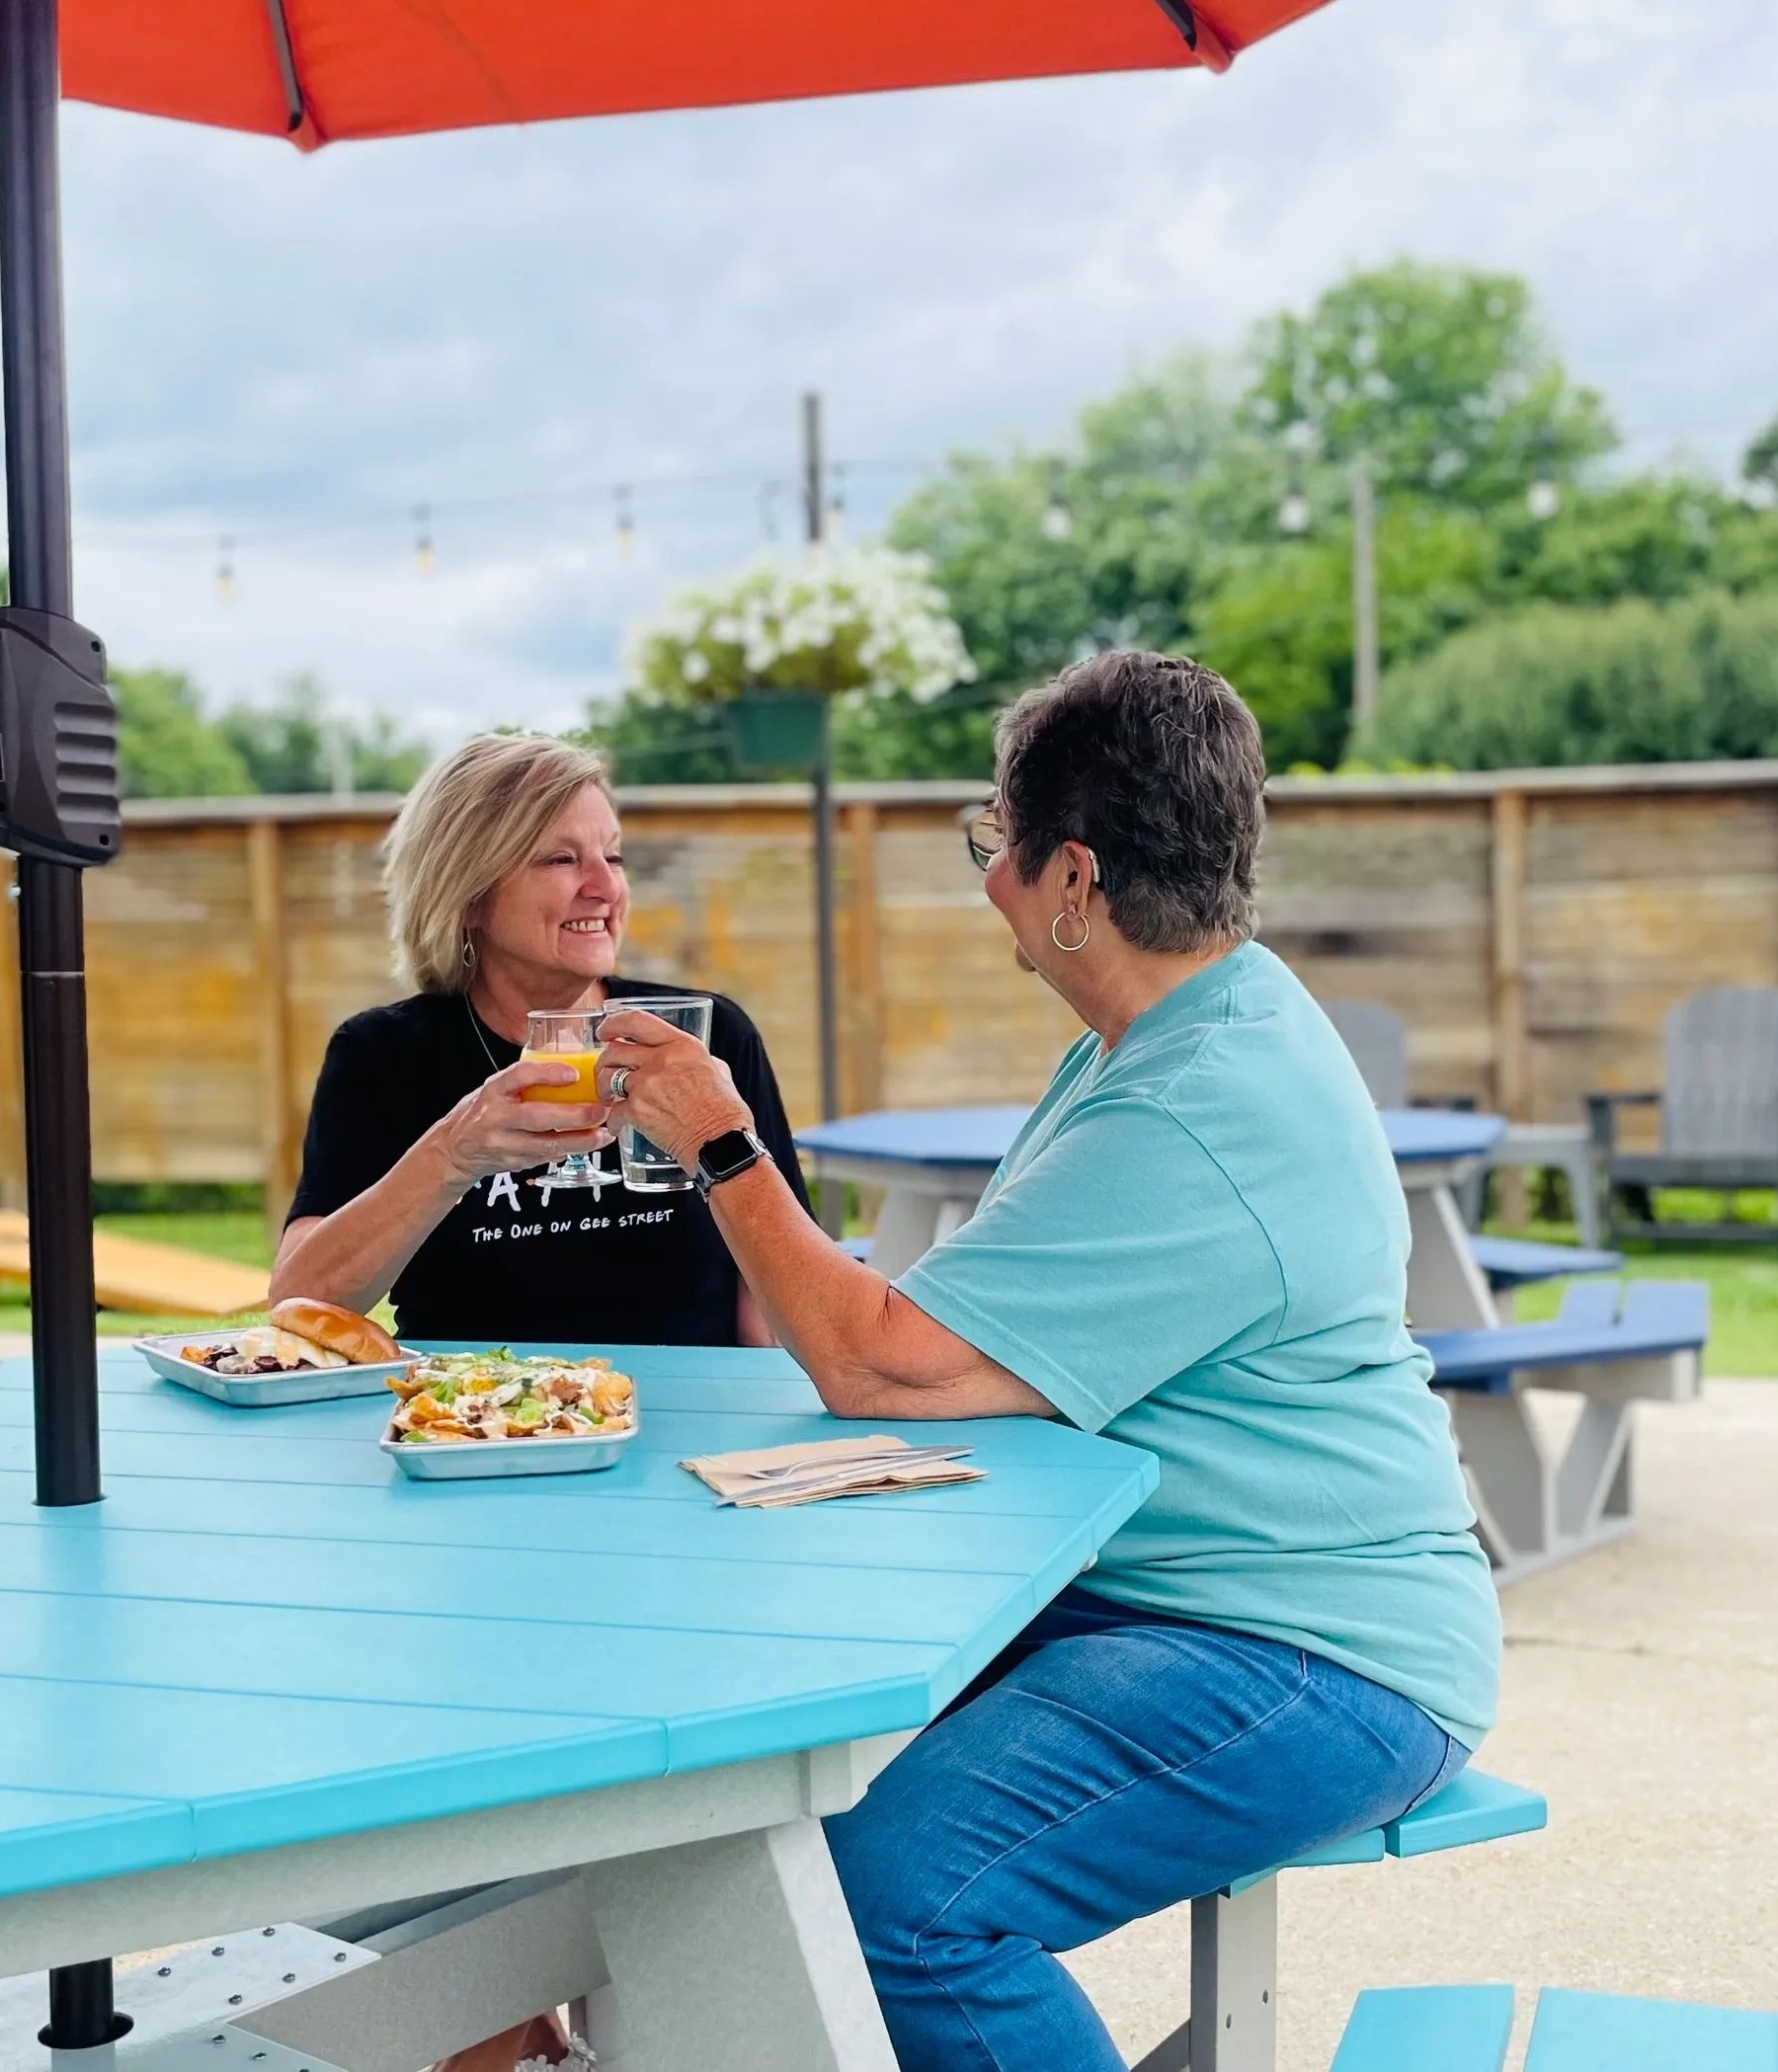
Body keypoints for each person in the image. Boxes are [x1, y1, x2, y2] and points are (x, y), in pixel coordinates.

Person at [602, 651, 1502, 2072]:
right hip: (1160, 1596)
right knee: (737, 1779)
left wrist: (723, 1147)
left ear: (1073, 878)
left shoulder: (1199, 1102)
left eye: (995, 848)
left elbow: (888, 1370)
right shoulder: (1180, 1029)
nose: (989, 884)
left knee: (892, 1903)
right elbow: (971, 1358)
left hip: (1306, 1643)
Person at [271, 731, 808, 1350]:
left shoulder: (699, 1036)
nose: (605, 888)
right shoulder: (384, 1055)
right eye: (560, 859)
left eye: (613, 857)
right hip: (480, 1421)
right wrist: (451, 1156)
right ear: (468, 896)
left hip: (687, 1413)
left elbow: (775, 1292)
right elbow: (299, 1301)